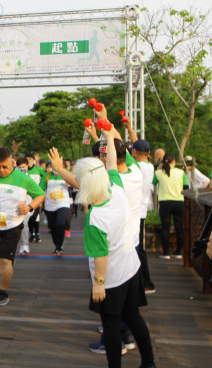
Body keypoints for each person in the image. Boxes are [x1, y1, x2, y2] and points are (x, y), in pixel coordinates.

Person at [74, 128, 155, 368]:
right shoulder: (117, 191)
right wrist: (109, 137)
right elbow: (111, 164)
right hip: (131, 270)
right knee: (134, 317)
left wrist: (98, 283)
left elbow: (100, 254)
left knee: (110, 326)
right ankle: (149, 363)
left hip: (111, 279)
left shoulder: (95, 217)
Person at [0, 148, 45, 305]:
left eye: (5, 167)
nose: (1, 170)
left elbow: (40, 195)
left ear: (12, 162)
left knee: (5, 259)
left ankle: (2, 291)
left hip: (12, 226)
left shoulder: (23, 178)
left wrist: (29, 207)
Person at [130, 139, 157, 293]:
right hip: (140, 211)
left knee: (138, 248)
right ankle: (142, 282)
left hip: (136, 212)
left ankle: (146, 282)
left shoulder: (136, 167)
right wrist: (128, 127)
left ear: (134, 152)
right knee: (137, 247)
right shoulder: (149, 166)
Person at [153, 153, 189, 259]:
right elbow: (186, 187)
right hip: (179, 202)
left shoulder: (159, 173)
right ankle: (178, 252)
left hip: (165, 203)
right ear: (173, 161)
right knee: (179, 228)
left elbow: (153, 182)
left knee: (165, 228)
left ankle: (166, 252)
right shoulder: (181, 172)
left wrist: (159, 169)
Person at [40, 160, 73, 255]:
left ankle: (60, 245)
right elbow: (41, 189)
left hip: (63, 203)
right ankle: (57, 245)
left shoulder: (66, 174)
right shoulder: (46, 176)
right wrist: (40, 201)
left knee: (60, 223)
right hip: (50, 205)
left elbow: (75, 185)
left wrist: (70, 184)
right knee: (53, 226)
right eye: (52, 166)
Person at [25, 153, 46, 243]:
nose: (28, 160)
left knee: (35, 217)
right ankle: (32, 234)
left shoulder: (39, 169)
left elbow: (45, 178)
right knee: (29, 218)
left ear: (34, 160)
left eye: (30, 159)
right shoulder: (23, 170)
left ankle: (37, 233)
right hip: (26, 198)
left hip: (36, 197)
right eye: (27, 159)